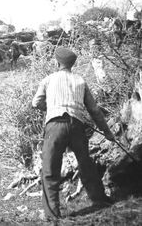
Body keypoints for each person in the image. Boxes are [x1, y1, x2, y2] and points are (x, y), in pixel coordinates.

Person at [32, 47, 116, 221]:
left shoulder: (48, 79)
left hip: (55, 126)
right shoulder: (80, 81)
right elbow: (94, 110)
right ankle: (100, 200)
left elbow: (36, 102)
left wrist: (52, 107)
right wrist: (107, 132)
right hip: (77, 125)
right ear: (72, 64)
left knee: (50, 169)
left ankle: (52, 215)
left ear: (57, 63)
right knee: (86, 164)